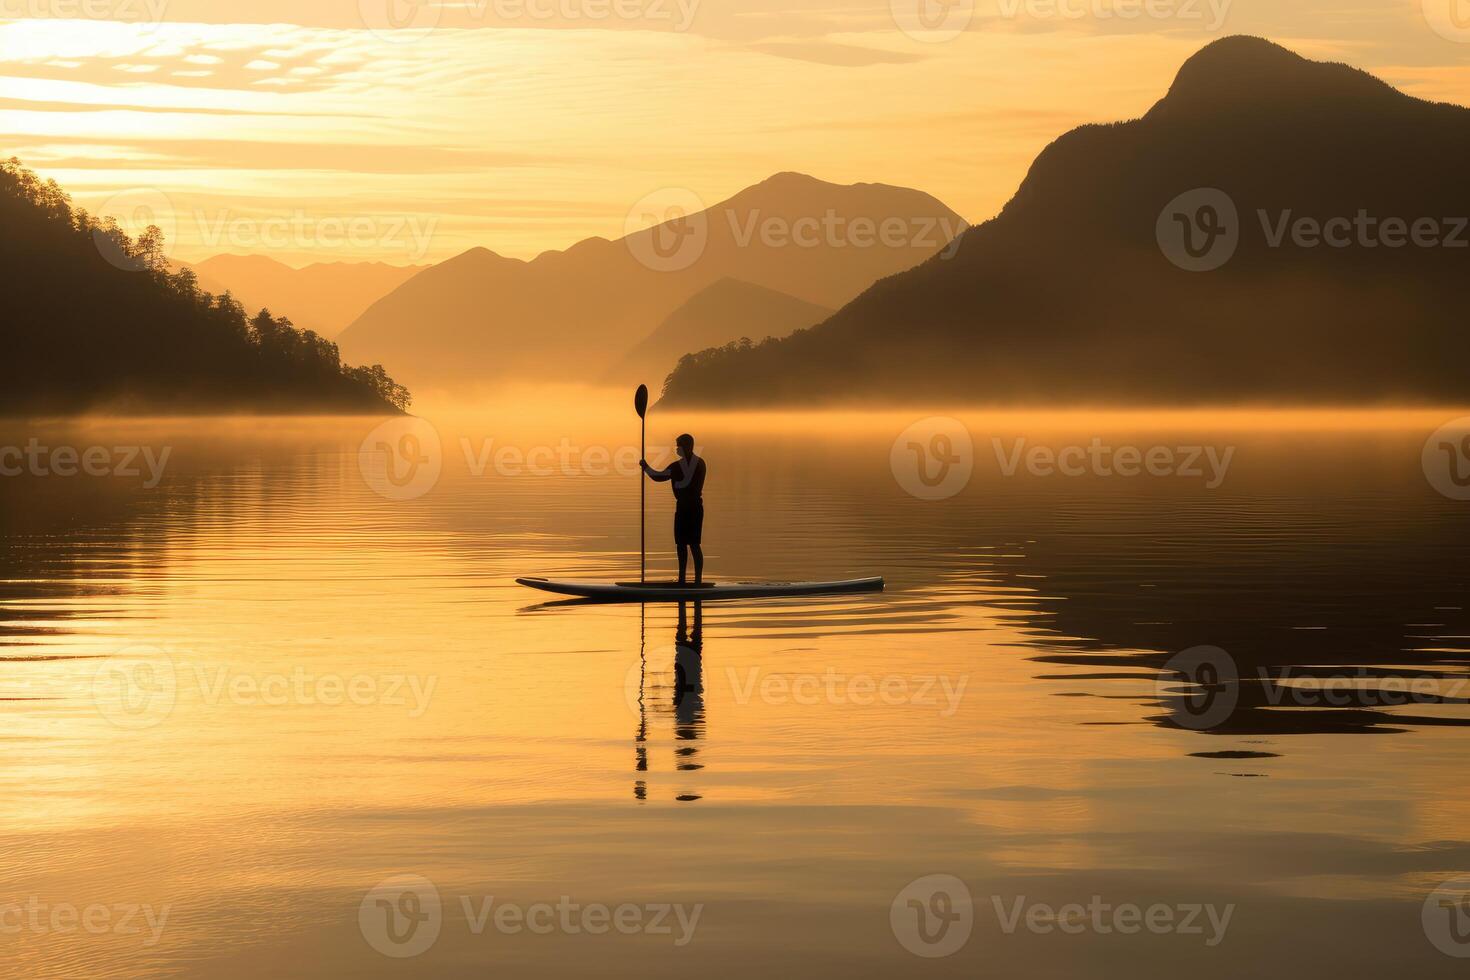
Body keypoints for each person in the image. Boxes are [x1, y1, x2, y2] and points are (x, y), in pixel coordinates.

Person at [641, 434, 706, 585]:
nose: (676, 449)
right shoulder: (700, 463)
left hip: (688, 509)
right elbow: (660, 476)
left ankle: (689, 581)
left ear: (687, 446)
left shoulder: (680, 466)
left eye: (679, 446)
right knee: (687, 544)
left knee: (690, 544)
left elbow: (658, 476)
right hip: (693, 508)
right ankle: (691, 580)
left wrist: (645, 467)